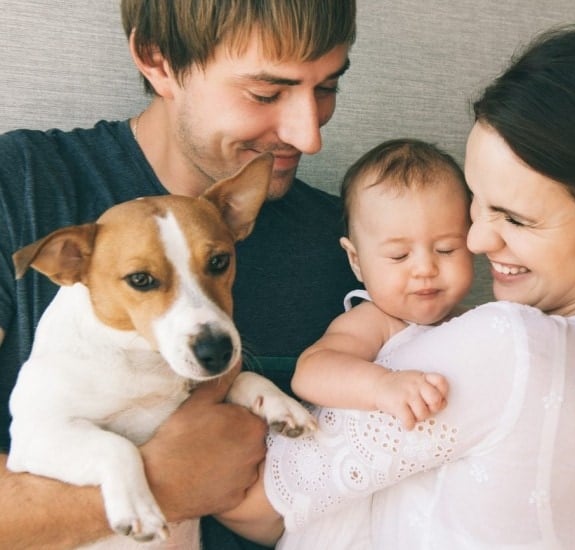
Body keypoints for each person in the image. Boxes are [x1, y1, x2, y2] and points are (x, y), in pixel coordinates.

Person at [217, 23, 575, 549]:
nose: (479, 240)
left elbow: (262, 509)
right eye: (476, 207)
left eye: (516, 219)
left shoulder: (508, 346)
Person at [0, 1, 358, 549]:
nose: (308, 136)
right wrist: (167, 485)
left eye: (327, 88)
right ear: (157, 59)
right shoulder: (19, 190)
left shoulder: (356, 244)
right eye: (265, 93)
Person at [293, 138, 475, 431]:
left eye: (446, 249)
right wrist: (382, 385)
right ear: (356, 261)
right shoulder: (375, 321)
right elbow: (309, 372)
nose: (425, 269)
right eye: (399, 255)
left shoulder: (475, 321)